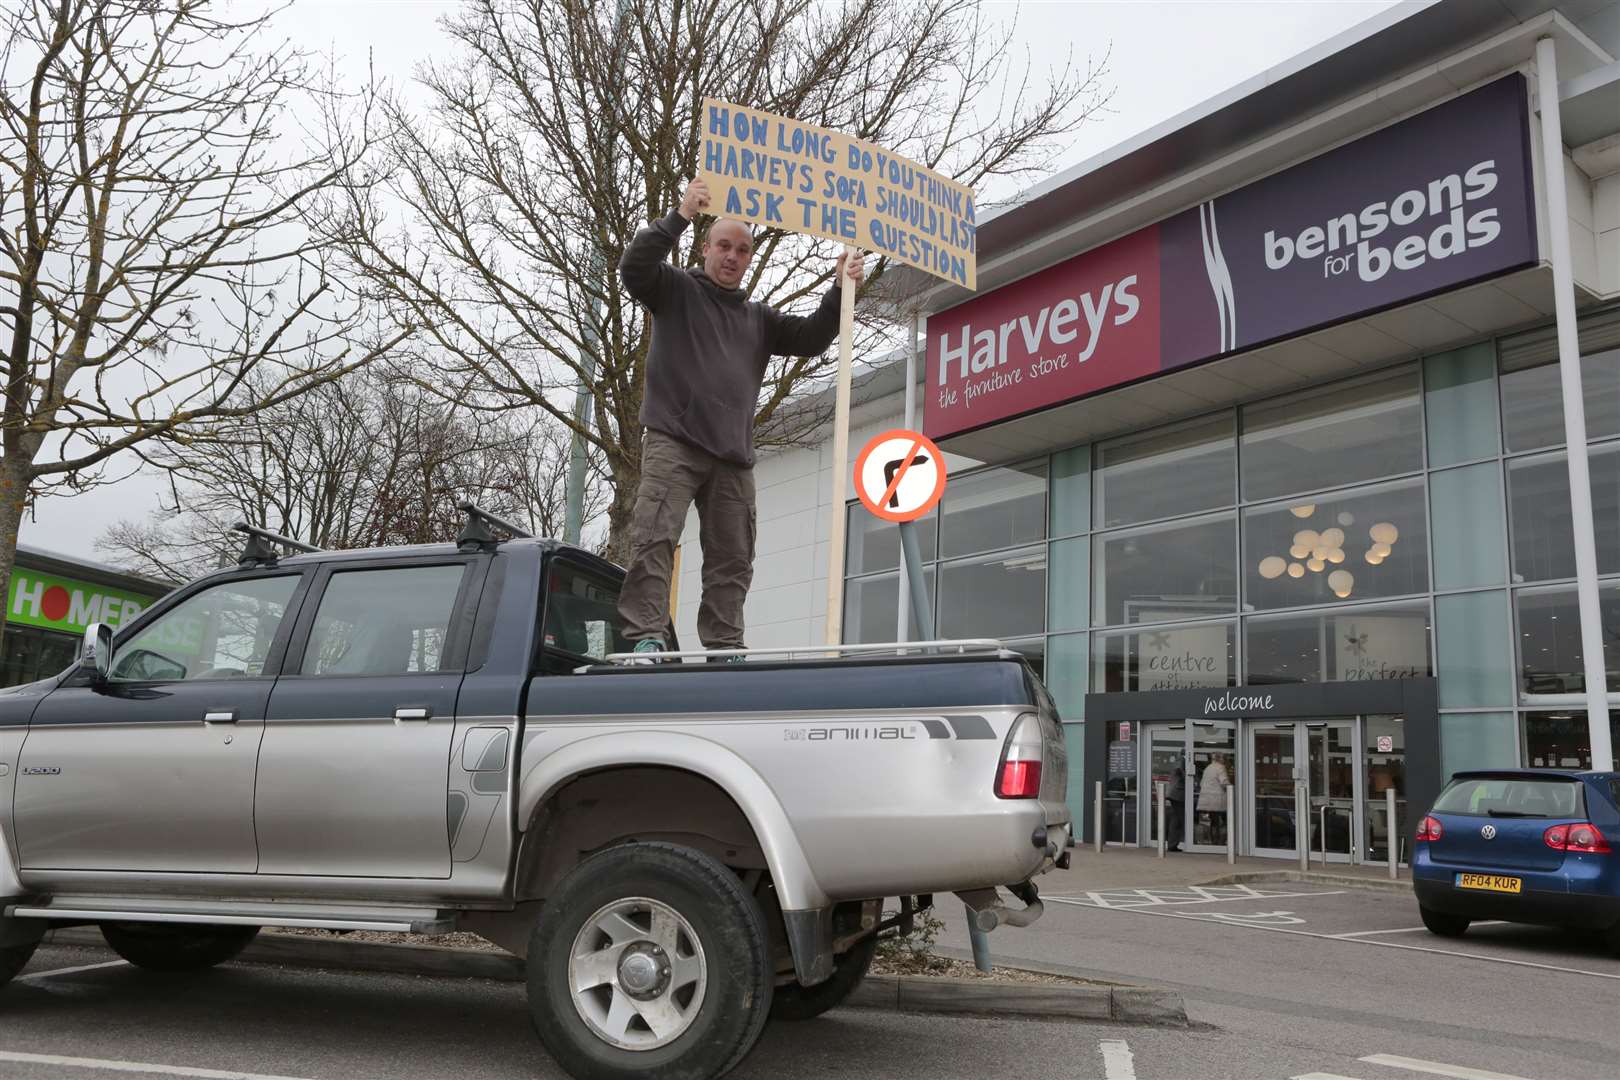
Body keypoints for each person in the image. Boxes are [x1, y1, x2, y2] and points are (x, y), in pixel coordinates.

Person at [616, 178, 865, 661]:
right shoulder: (675, 288)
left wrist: (839, 288)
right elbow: (634, 267)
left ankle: (725, 645)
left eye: (743, 250)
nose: (732, 256)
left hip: (732, 457)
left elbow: (812, 336)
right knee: (654, 539)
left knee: (732, 558)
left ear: (750, 257)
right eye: (724, 246)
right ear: (706, 248)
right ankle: (646, 637)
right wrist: (679, 215)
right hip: (675, 441)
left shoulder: (758, 319)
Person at [1198, 754, 1232, 846]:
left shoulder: (1208, 768)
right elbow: (1224, 782)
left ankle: (1213, 841)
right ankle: (1219, 842)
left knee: (1212, 822)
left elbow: (1201, 783)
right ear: (1220, 759)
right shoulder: (1220, 767)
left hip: (1206, 799)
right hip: (1216, 800)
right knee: (1222, 822)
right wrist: (1232, 789)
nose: (1225, 761)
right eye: (1224, 758)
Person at [1167, 766, 1187, 852]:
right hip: (1178, 796)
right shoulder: (1180, 767)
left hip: (1175, 795)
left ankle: (1172, 844)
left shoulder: (1177, 767)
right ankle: (1173, 844)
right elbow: (1187, 777)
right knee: (1179, 820)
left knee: (1176, 820)